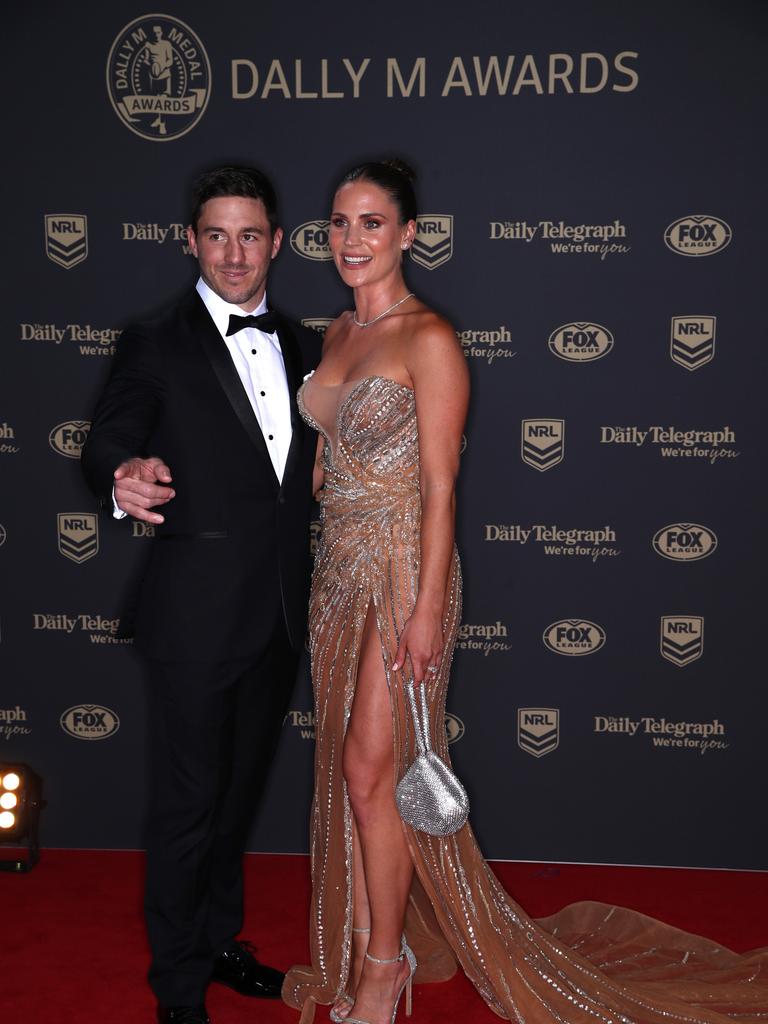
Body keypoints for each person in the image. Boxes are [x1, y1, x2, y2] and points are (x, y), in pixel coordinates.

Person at [282, 160, 768, 1024]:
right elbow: (328, 448)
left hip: (401, 570)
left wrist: (429, 608)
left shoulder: (429, 337)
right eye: (338, 224)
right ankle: (366, 945)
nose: (350, 240)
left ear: (408, 235)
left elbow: (440, 487)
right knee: (352, 773)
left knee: (370, 769)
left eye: (370, 224)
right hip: (337, 572)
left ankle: (382, 969)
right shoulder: (334, 336)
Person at [82, 165, 320, 1024]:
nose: (233, 252)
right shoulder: (155, 340)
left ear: (278, 242)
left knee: (235, 805)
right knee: (188, 808)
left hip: (282, 617)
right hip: (193, 616)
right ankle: (178, 988)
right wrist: (122, 471)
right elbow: (112, 430)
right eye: (215, 235)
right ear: (191, 241)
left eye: (249, 234)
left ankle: (220, 943)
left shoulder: (306, 343)